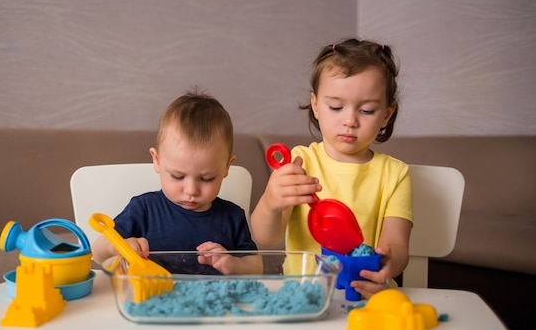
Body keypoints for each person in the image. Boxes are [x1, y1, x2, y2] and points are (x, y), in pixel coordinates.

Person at [250, 38, 412, 299]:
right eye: (336, 107)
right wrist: (271, 203)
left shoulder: (395, 174)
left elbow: (398, 244)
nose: (350, 121)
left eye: (368, 110)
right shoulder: (299, 163)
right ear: (315, 105)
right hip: (304, 295)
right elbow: (264, 237)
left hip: (366, 294)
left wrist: (388, 262)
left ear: (387, 114)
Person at [92, 89, 262, 275]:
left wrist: (234, 264)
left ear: (226, 167)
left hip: (212, 300)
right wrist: (118, 247)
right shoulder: (144, 208)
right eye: (178, 176)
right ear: (157, 161)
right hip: (155, 297)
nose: (191, 190)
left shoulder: (232, 216)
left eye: (206, 178)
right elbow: (98, 252)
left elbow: (257, 266)